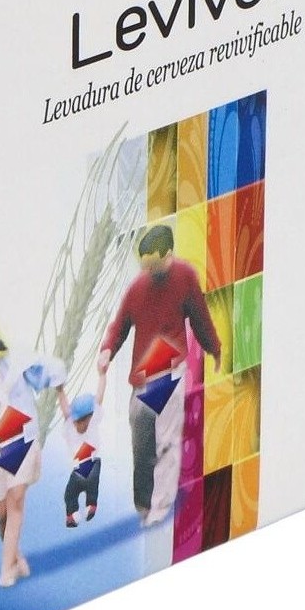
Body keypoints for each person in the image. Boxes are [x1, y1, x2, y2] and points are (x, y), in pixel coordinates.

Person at [98, 223, 221, 527]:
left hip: (170, 368)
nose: (147, 272)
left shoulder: (185, 277)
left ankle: (160, 509)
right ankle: (143, 503)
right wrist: (107, 350)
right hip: (143, 374)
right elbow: (120, 324)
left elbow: (200, 317)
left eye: (152, 265)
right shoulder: (138, 288)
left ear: (168, 255)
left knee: (166, 441)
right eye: (143, 266)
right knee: (141, 441)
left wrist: (214, 348)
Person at [0, 326, 66, 587]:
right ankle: (15, 559)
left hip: (22, 435)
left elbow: (47, 370)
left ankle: (6, 569)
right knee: (2, 515)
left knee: (16, 499)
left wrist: (60, 386)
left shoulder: (15, 365)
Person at [56, 361, 108, 527]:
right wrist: (60, 391)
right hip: (83, 470)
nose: (76, 424)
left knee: (82, 490)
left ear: (86, 419)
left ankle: (87, 507)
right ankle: (78, 512)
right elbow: (67, 409)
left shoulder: (81, 424)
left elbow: (98, 398)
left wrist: (102, 375)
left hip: (87, 468)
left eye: (78, 421)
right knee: (73, 493)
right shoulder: (80, 423)